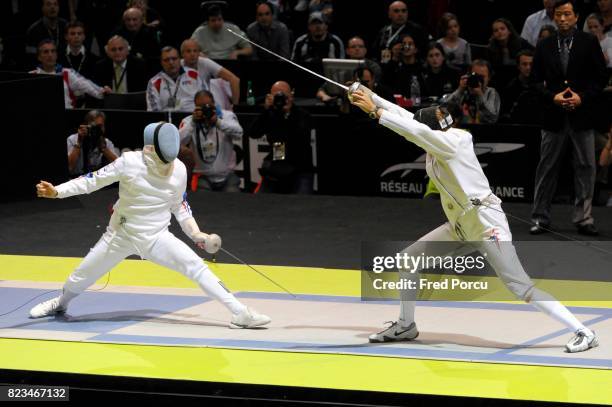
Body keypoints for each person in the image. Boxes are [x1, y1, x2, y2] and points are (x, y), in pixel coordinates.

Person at [348, 85, 599, 353]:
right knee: (409, 260)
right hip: (460, 226)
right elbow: (407, 118)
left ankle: (583, 331)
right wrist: (369, 95)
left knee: (519, 286)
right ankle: (405, 324)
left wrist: (375, 112)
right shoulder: (439, 133)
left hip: (486, 225)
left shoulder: (452, 142)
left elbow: (414, 130)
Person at [30, 121, 271, 329]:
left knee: (195, 266)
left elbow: (179, 206)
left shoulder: (179, 170)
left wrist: (195, 233)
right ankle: (60, 303)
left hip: (156, 237)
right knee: (82, 276)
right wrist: (58, 192)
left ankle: (240, 313)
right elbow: (93, 181)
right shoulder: (130, 162)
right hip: (120, 235)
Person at [529, 0, 608, 236]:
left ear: (576, 17)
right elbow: (533, 81)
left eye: (567, 14)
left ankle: (584, 218)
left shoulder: (588, 42)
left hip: (581, 116)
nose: (562, 19)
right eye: (558, 15)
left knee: (586, 167)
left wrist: (582, 97)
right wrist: (552, 97)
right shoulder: (544, 45)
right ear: (554, 17)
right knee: (546, 168)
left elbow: (601, 78)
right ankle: (540, 217)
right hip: (553, 117)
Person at [249, 81, 314, 194]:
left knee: (303, 204)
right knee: (260, 203)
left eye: (285, 95)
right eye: (278, 96)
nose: (283, 99)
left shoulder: (303, 115)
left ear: (291, 96)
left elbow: (299, 137)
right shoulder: (270, 113)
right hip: (276, 167)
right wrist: (266, 110)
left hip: (300, 168)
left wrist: (287, 113)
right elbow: (253, 133)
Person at [179, 90, 243, 192]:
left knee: (233, 201)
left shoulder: (226, 116)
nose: (204, 110)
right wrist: (193, 123)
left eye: (207, 106)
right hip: (202, 176)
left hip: (227, 175)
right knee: (203, 203)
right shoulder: (189, 121)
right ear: (195, 107)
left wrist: (218, 122)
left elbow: (239, 133)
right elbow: (179, 141)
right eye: (201, 107)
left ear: (214, 104)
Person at [29, 40, 110, 109]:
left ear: (56, 55)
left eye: (53, 51)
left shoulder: (67, 73)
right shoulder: (31, 76)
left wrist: (102, 91)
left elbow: (87, 86)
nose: (50, 55)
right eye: (46, 52)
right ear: (39, 57)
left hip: (66, 117)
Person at [316, 36, 381, 103]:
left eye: (360, 46)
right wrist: (324, 96)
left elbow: (376, 87)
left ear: (365, 50)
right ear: (347, 51)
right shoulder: (340, 66)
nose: (357, 49)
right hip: (343, 102)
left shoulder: (373, 67)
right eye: (353, 47)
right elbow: (322, 90)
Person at [180, 39, 240, 106]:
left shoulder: (205, 62)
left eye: (195, 51)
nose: (192, 54)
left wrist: (235, 106)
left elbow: (234, 80)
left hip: (205, 104)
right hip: (184, 104)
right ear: (182, 54)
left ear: (199, 53)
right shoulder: (177, 66)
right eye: (188, 51)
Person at [146, 46, 202, 112]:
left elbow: (204, 100)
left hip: (193, 118)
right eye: (166, 60)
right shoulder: (154, 82)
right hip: (168, 120)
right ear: (161, 62)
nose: (171, 62)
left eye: (174, 58)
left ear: (180, 59)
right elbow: (153, 112)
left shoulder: (194, 75)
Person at [445, 59, 500, 124]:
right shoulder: (462, 92)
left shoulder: (491, 93)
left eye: (481, 77)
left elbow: (492, 119)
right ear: (468, 75)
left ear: (489, 78)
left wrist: (480, 95)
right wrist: (460, 90)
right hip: (463, 131)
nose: (478, 80)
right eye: (475, 76)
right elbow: (444, 114)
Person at [67, 110, 119, 176]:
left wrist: (104, 149)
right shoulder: (73, 139)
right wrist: (79, 143)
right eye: (95, 127)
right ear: (86, 126)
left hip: (98, 181)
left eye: (100, 126)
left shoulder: (107, 143)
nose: (97, 130)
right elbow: (69, 168)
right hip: (76, 179)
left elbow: (119, 166)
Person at [500, 50, 540, 124]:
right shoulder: (510, 88)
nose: (528, 67)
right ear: (518, 66)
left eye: (531, 64)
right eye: (524, 64)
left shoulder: (540, 86)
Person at [25, 0, 68, 67]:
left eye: (55, 4)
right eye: (48, 4)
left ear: (59, 8)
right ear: (42, 8)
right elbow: (31, 58)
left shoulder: (66, 26)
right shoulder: (33, 30)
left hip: (64, 68)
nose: (52, 7)